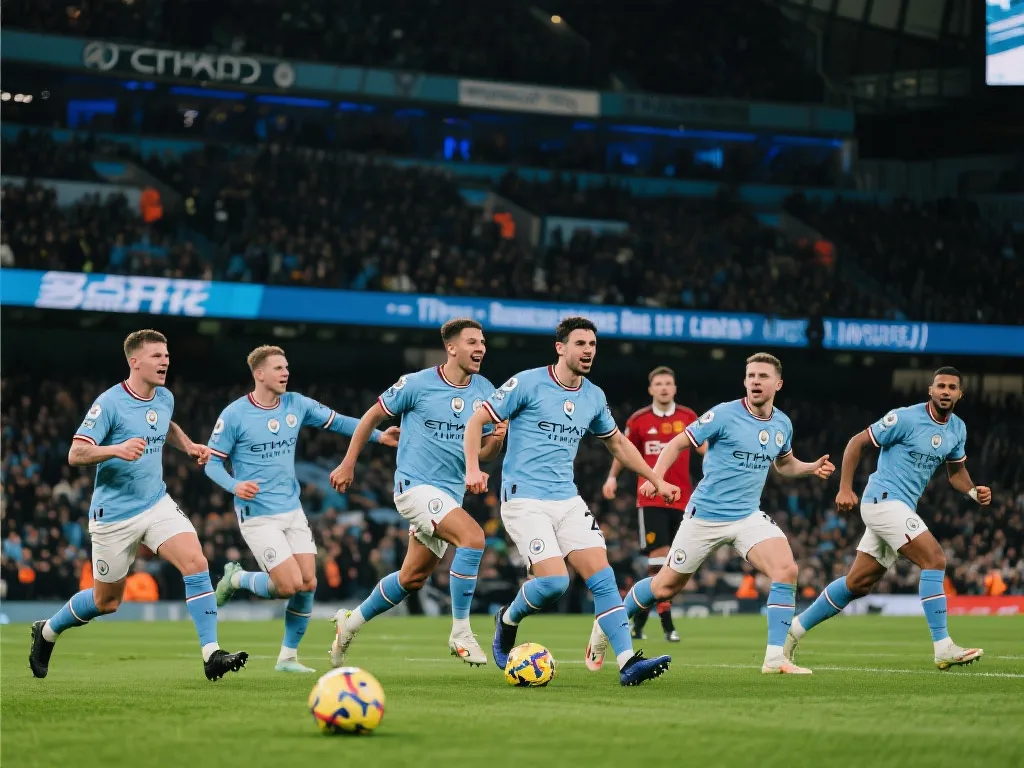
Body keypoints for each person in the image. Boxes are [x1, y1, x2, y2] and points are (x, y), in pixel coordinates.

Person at [585, 353, 834, 675]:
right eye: (751, 376)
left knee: (786, 570)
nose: (755, 381)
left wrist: (810, 468)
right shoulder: (724, 414)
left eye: (763, 376)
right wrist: (657, 480)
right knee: (664, 587)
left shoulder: (782, 424)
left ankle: (775, 659)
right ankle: (604, 627)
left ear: (778, 384)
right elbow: (676, 444)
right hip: (705, 517)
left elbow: (784, 464)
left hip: (747, 516)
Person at [464, 316, 679, 687]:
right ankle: (508, 619)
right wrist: (473, 467)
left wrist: (655, 478)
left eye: (592, 345)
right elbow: (476, 420)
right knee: (554, 583)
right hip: (524, 500)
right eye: (581, 344)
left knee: (604, 578)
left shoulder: (593, 396)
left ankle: (628, 663)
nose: (588, 351)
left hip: (567, 499)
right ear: (560, 347)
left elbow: (618, 444)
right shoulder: (527, 382)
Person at [29, 329, 248, 681]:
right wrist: (116, 449)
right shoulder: (109, 403)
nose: (165, 361)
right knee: (106, 602)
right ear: (135, 362)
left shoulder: (164, 397)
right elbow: (76, 452)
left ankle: (212, 654)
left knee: (196, 562)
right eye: (157, 356)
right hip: (114, 515)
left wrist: (189, 445)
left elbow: (165, 425)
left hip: (155, 502)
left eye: (166, 355)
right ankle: (48, 630)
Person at [207, 345, 399, 673]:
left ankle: (287, 658)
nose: (286, 373)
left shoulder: (296, 404)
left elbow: (339, 422)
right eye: (278, 368)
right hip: (258, 514)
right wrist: (234, 486)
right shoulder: (235, 415)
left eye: (286, 367)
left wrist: (379, 437)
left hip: (292, 509)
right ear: (259, 374)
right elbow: (212, 463)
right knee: (287, 586)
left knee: (308, 582)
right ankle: (236, 578)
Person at [328, 319, 506, 667]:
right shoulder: (416, 384)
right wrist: (348, 463)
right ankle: (461, 632)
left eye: (483, 342)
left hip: (449, 496)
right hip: (414, 488)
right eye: (472, 342)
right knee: (473, 538)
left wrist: (497, 439)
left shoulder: (486, 390)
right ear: (451, 348)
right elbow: (371, 418)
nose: (480, 348)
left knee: (412, 578)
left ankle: (350, 623)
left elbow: (484, 453)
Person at [786, 367, 987, 670]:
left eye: (952, 387)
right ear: (930, 390)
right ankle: (943, 646)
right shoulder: (904, 418)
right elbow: (856, 442)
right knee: (934, 559)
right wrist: (845, 488)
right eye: (940, 386)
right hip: (882, 500)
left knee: (858, 583)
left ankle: (794, 630)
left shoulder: (957, 429)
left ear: (960, 394)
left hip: (901, 507)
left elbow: (956, 472)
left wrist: (972, 491)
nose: (945, 391)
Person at [602, 365, 698, 642]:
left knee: (673, 563)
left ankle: (639, 621)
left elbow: (705, 447)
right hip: (651, 497)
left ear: (675, 388)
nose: (664, 388)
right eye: (659, 384)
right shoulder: (639, 420)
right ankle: (668, 626)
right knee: (660, 558)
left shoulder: (688, 417)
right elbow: (622, 450)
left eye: (668, 383)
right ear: (651, 389)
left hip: (683, 500)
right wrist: (612, 477)